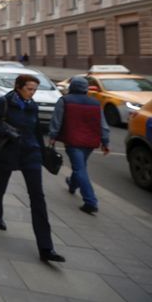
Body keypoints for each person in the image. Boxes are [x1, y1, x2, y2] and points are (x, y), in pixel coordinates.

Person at [0, 74, 65, 263]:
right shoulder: (3, 102)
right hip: (8, 151)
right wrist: (8, 131)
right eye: (29, 89)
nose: (32, 93)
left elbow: (36, 130)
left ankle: (46, 247)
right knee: (1, 183)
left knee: (38, 197)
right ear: (19, 87)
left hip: (31, 153)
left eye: (35, 89)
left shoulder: (32, 105)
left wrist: (43, 152)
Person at [48, 76, 110, 214]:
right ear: (86, 89)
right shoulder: (95, 103)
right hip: (90, 142)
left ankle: (90, 201)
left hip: (73, 141)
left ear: (72, 87)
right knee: (80, 166)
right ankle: (72, 184)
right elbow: (103, 125)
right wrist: (105, 142)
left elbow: (56, 120)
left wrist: (52, 137)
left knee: (80, 168)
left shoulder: (65, 100)